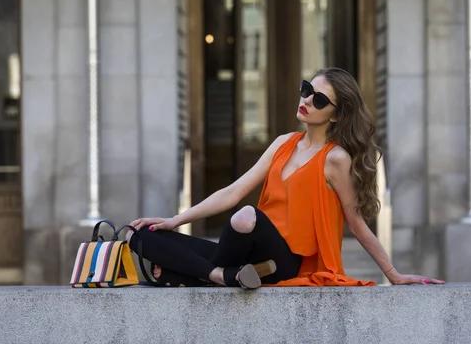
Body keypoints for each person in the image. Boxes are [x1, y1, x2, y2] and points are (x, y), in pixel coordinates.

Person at [127, 67, 444, 288]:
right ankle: (222, 276)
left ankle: (199, 273)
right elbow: (234, 191)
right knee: (140, 235)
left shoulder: (335, 159)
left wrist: (393, 272)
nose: (306, 100)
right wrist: (175, 220)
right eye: (307, 90)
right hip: (249, 260)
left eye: (319, 100)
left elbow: (356, 222)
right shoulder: (283, 143)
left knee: (247, 217)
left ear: (334, 115)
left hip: (284, 262)